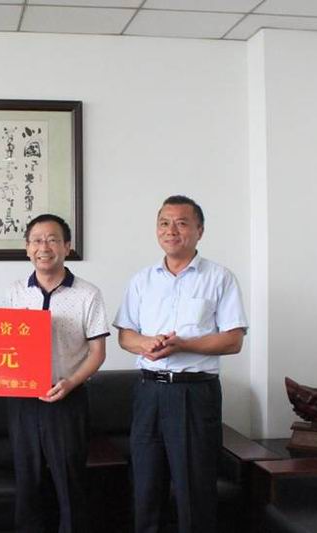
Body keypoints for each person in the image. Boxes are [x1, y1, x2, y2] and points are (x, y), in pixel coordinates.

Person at [114, 195, 248, 533]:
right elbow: (125, 336)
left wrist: (183, 345)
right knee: (146, 487)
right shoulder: (141, 280)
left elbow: (233, 340)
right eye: (164, 223)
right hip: (148, 392)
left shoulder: (219, 278)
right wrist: (146, 343)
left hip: (194, 394)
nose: (171, 230)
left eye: (181, 223)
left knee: (194, 489)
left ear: (199, 231)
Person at [5, 214, 109, 533]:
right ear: (27, 248)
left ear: (67, 246)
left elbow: (97, 352)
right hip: (23, 401)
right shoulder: (15, 292)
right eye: (37, 241)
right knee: (27, 482)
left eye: (52, 240)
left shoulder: (88, 294)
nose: (44, 247)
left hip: (68, 397)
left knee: (69, 481)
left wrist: (71, 382)